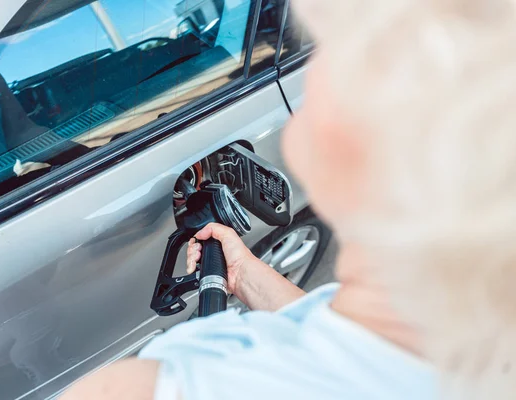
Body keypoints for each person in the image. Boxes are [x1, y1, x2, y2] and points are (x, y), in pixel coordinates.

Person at [62, 0, 516, 399]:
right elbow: (352, 356)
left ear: (345, 144)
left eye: (328, 48)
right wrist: (245, 277)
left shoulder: (141, 390)